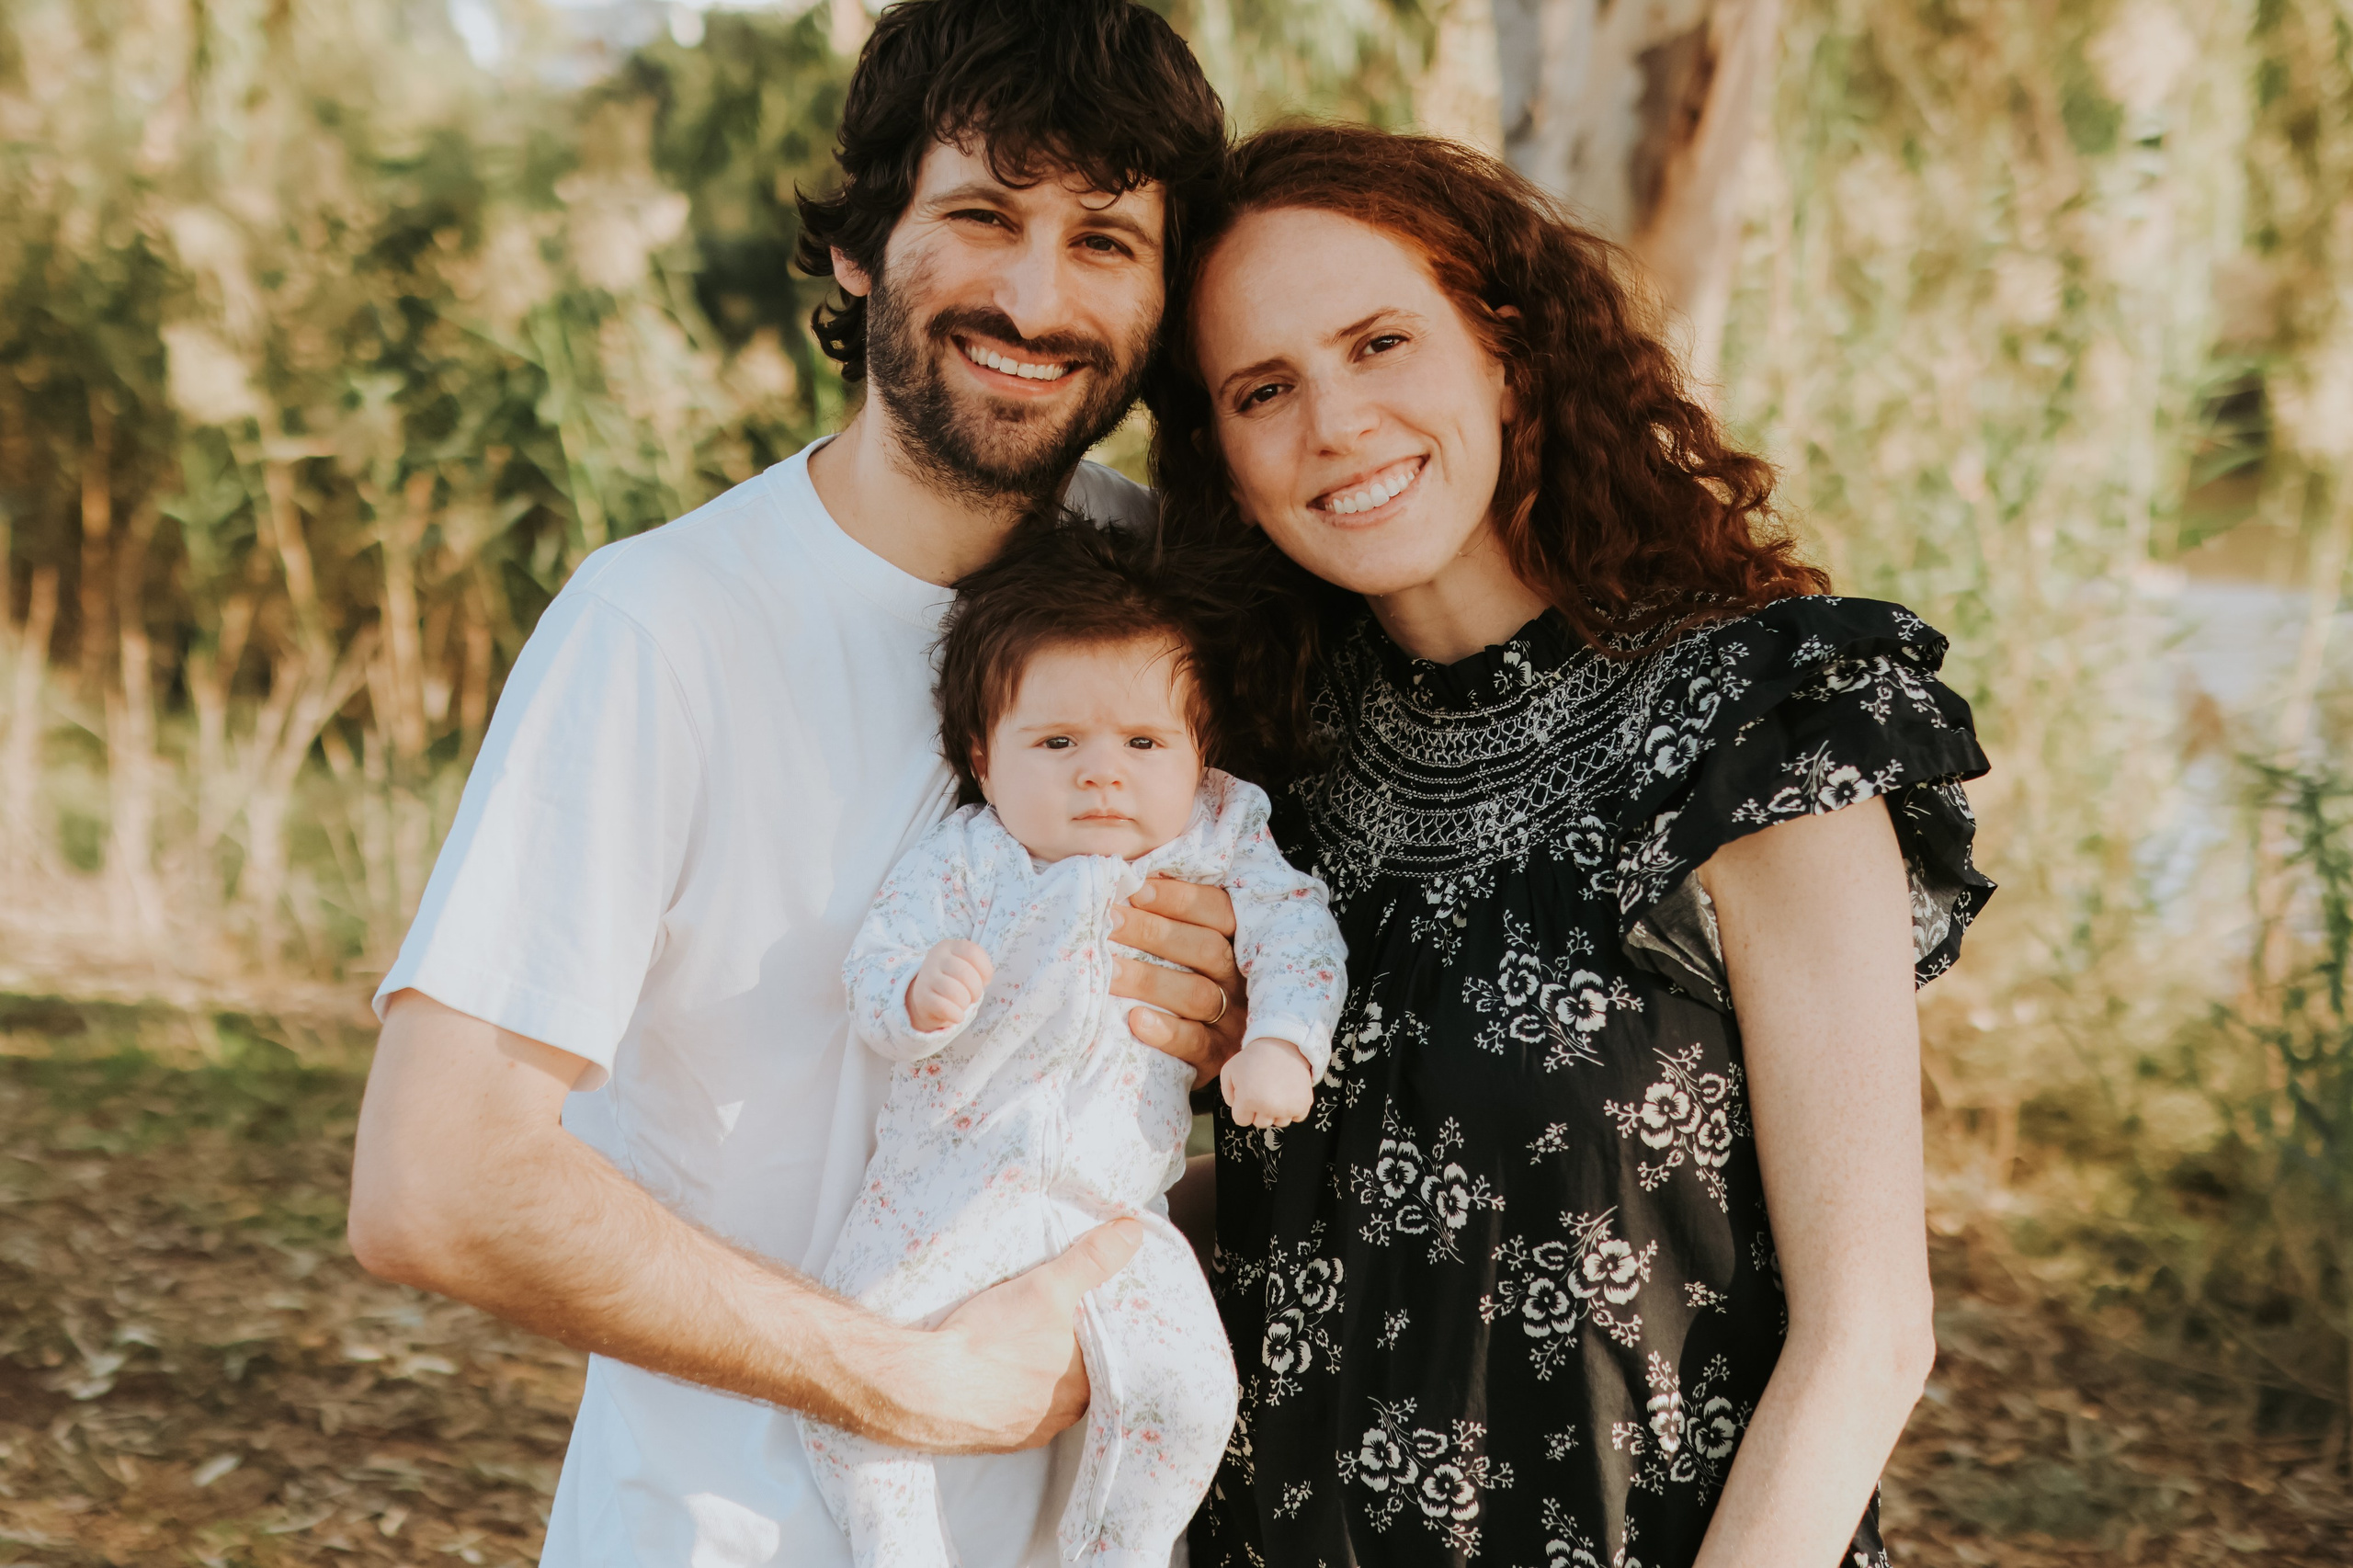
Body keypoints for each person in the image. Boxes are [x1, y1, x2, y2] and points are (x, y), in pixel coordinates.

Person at [343, 4, 1241, 1563]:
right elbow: (438, 1177)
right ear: (859, 244)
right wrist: (913, 1383)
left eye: (1105, 240)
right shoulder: (665, 626)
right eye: (978, 218)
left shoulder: (1182, 606)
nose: (1036, 297)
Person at [1144, 126, 1997, 1568]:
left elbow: (1870, 1336)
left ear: (1506, 350)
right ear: (1222, 458)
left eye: (1379, 342)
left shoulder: (1759, 731)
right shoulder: (1261, 777)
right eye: (1264, 388)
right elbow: (1348, 1190)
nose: (1335, 422)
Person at [798, 518, 1347, 1568]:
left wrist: (1282, 1039)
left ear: (1198, 752)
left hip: (1109, 1206)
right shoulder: (966, 858)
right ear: (981, 758)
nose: (1103, 775)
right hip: (947, 1184)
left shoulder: (1219, 832)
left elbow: (1298, 927)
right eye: (1058, 744)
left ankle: (1117, 1550)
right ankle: (897, 1547)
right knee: (852, 1375)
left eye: (1143, 744)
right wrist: (918, 993)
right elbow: (877, 957)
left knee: (1189, 1390)